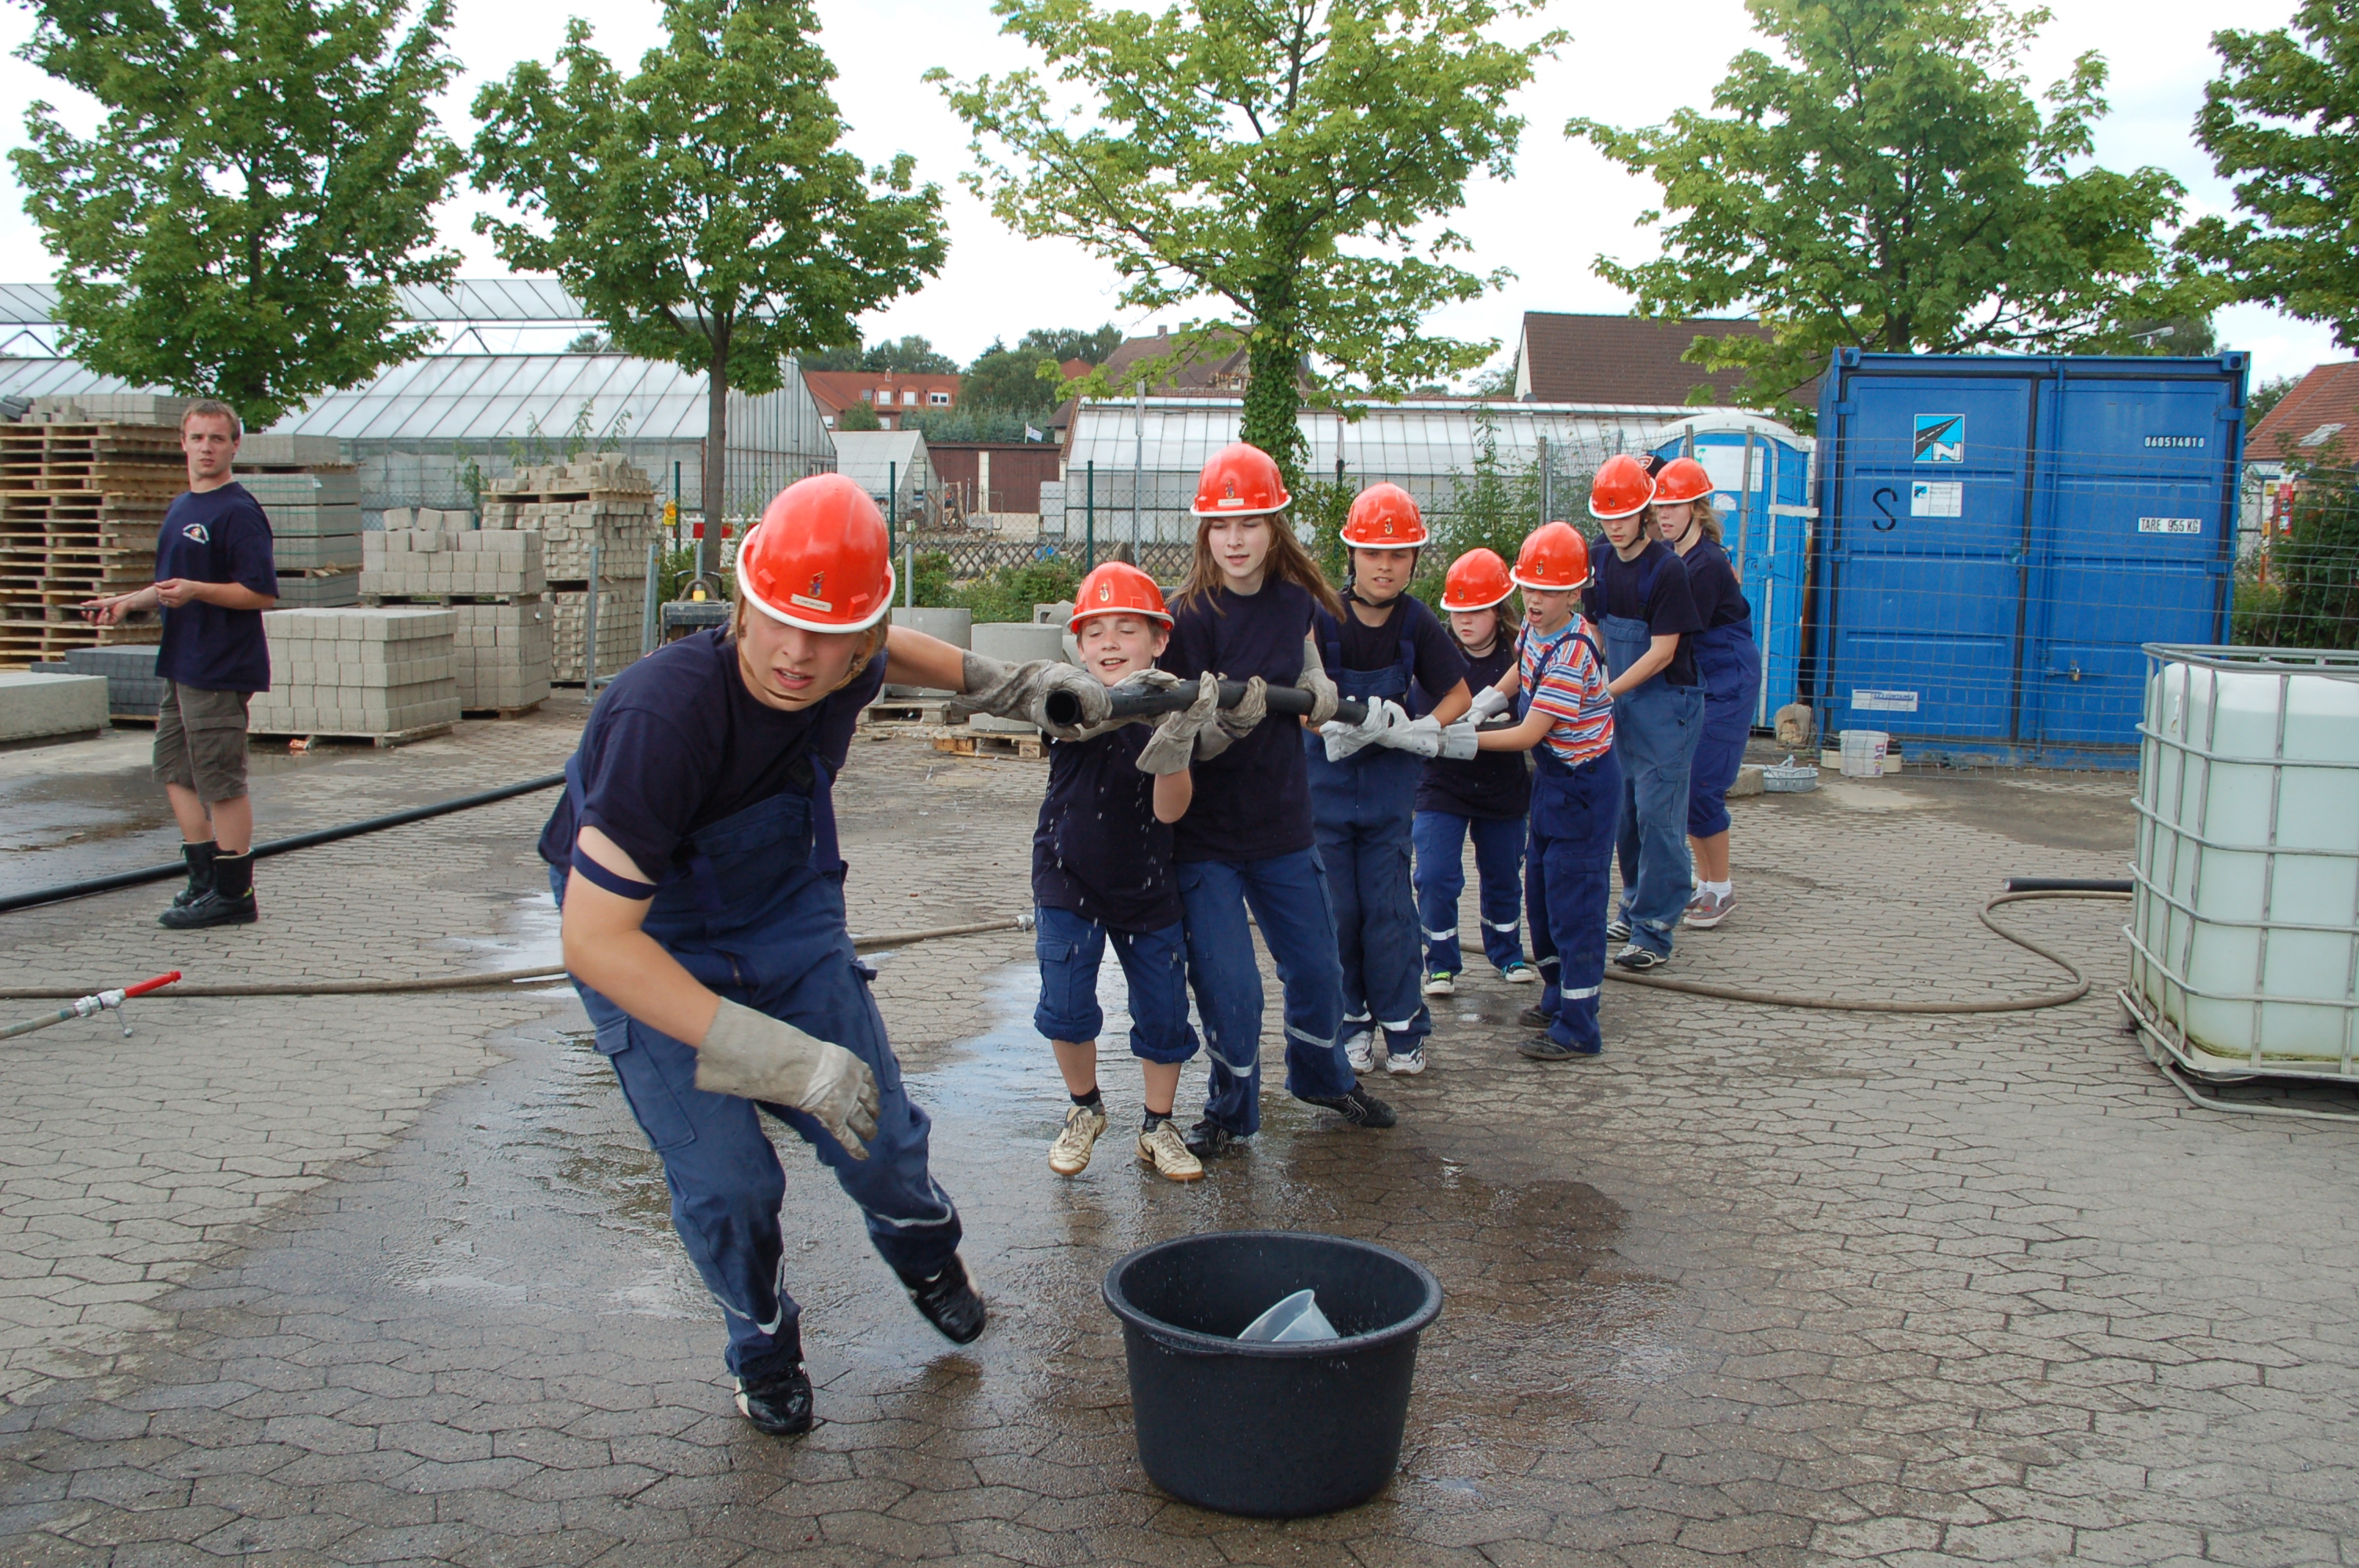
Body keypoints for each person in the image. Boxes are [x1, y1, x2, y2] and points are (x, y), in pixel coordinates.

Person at [543, 473, 1110, 1437]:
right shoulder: (662, 718)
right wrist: (776, 1061)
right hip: (652, 946)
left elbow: (893, 650)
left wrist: (1007, 682)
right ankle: (761, 1342)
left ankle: (923, 1247)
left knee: (877, 1137)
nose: (799, 656)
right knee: (731, 1185)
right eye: (776, 623)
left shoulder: (848, 651)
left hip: (786, 919)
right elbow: (595, 939)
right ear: (741, 598)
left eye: (832, 634)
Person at [1157, 441, 1398, 1159]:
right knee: (1232, 988)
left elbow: (1306, 660)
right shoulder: (1189, 617)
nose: (1236, 540)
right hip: (1206, 838)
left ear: (1274, 528)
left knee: (1319, 969)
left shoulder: (1297, 600)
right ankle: (1230, 1112)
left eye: (1251, 524)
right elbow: (1170, 739)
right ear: (1205, 532)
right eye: (1222, 527)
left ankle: (1322, 1079)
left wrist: (1318, 686)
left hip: (1284, 826)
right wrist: (1220, 731)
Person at [1034, 562, 1217, 1184]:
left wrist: (1176, 734)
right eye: (1096, 631)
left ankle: (1157, 1125)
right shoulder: (1066, 702)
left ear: (1159, 639)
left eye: (1127, 628)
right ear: (1079, 645)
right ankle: (1085, 1108)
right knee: (1064, 1004)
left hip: (1146, 881)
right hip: (1067, 877)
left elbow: (1171, 810)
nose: (1110, 642)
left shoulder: (1174, 711)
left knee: (1164, 1011)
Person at [80, 398, 277, 929]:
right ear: (182, 443)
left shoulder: (237, 511)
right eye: (198, 438)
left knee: (220, 780)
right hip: (181, 662)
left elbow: (260, 593)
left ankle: (235, 894)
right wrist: (126, 603)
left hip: (219, 665)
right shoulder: (182, 507)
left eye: (218, 438)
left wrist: (198, 591)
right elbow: (171, 585)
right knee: (173, 767)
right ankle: (204, 876)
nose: (207, 448)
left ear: (235, 445)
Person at [1306, 483, 1472, 1077]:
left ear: (1414, 561)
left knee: (1390, 912)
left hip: (1387, 799)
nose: (1385, 564)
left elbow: (1457, 693)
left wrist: (1423, 726)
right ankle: (1352, 1025)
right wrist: (1327, 722)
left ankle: (1404, 1029)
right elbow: (1296, 694)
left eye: (1398, 554)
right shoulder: (1321, 611)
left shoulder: (1416, 621)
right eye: (1373, 553)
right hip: (1324, 794)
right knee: (1339, 913)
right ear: (1350, 554)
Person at [1468, 522, 1620, 1060]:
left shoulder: (1575, 650)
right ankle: (1556, 993)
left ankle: (1581, 1024)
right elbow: (1519, 669)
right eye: (1530, 587)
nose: (1535, 599)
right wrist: (1486, 699)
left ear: (1574, 594)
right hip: (1554, 784)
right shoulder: (1536, 632)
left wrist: (1467, 739)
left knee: (1576, 903)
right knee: (1542, 893)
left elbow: (1532, 733)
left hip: (1586, 786)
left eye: (1549, 590)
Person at [1585, 453, 1702, 973]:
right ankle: (1632, 904)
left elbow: (1662, 653)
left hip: (1665, 707)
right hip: (1621, 702)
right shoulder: (1598, 560)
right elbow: (1592, 628)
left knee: (1659, 818)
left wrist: (1604, 690)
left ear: (1645, 512)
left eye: (1624, 515)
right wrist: (1591, 675)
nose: (1614, 525)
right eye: (1606, 516)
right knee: (1625, 816)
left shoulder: (1668, 569)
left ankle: (1655, 928)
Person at [1412, 547, 1539, 998]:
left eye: (1477, 611)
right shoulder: (1437, 653)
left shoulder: (1521, 653)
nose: (1465, 622)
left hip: (1503, 787)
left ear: (1499, 608)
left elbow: (1533, 720)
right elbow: (1424, 717)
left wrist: (1487, 722)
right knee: (1435, 874)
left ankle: (1506, 954)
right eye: (1458, 611)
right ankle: (1441, 964)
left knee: (1504, 873)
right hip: (1442, 785)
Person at [1653, 457, 1761, 930]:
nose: (1665, 515)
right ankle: (1705, 881)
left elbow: (1674, 636)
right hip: (1702, 679)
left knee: (1703, 787)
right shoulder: (1681, 557)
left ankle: (1721, 887)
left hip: (1727, 681)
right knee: (1691, 784)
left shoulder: (1706, 565)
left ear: (1697, 509)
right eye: (1660, 506)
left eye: (1675, 505)